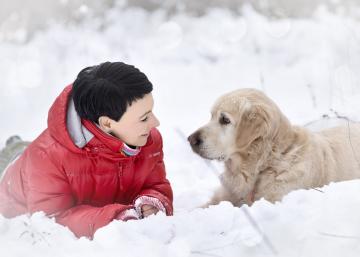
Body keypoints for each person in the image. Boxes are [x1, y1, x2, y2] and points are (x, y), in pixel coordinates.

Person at [0, 62, 173, 238]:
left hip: (41, 163)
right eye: (144, 118)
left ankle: (18, 144)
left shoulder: (147, 139)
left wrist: (153, 201)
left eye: (150, 112)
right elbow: (52, 220)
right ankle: (14, 146)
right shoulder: (46, 159)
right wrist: (113, 219)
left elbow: (155, 185)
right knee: (14, 157)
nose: (155, 122)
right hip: (12, 180)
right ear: (107, 123)